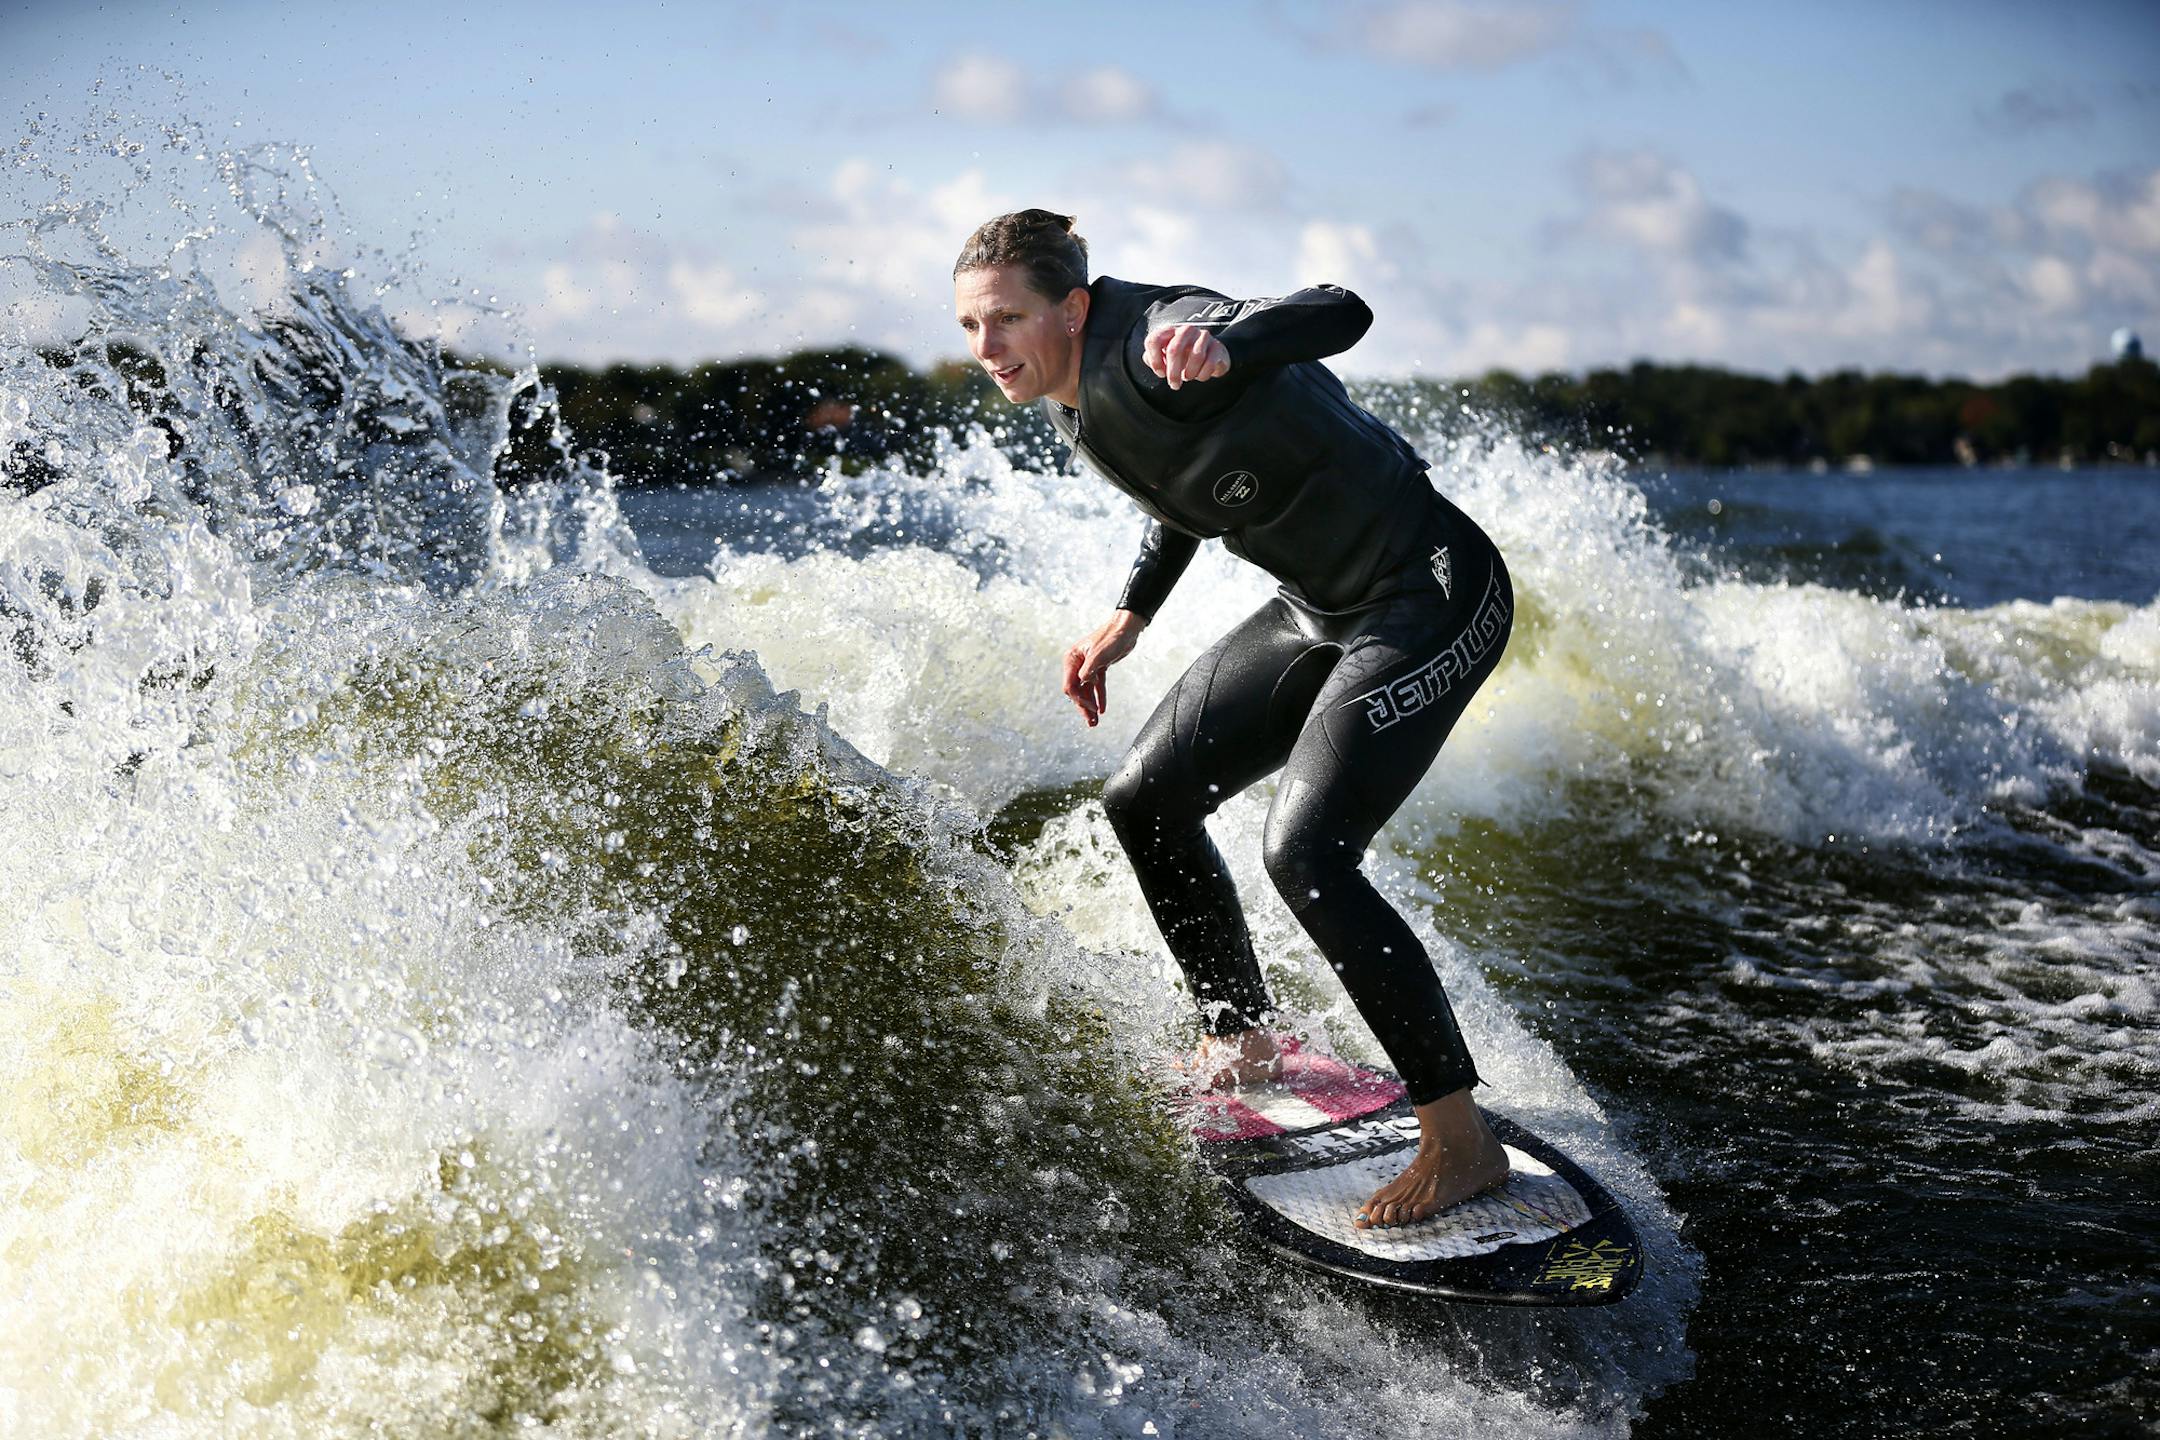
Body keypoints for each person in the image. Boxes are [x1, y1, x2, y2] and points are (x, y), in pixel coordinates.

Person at [952, 209, 1515, 1230]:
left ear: (1072, 309)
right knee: (1144, 800)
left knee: (1308, 854)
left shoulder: (1166, 331)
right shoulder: (1072, 388)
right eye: (968, 327)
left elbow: (1341, 310)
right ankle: (1243, 1037)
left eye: (1006, 321)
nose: (986, 350)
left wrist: (1231, 340)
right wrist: (1129, 615)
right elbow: (1177, 481)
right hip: (1318, 608)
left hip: (1430, 591)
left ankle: (1460, 1138)